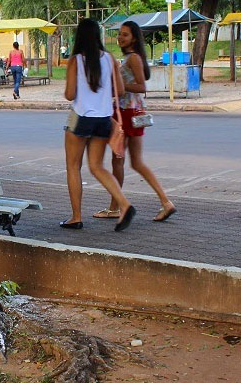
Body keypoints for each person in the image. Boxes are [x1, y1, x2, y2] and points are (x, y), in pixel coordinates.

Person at [96, 21, 176, 222]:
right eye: (120, 34)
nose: (120, 38)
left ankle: (118, 206)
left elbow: (142, 87)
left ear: (133, 38)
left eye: (125, 35)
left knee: (121, 160)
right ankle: (162, 202)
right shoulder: (130, 58)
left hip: (127, 113)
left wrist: (120, 86)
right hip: (129, 112)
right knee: (129, 161)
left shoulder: (133, 59)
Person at [61, 19, 135, 232]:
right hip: (103, 119)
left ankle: (76, 217)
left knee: (73, 166)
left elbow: (69, 94)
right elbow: (120, 90)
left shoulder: (75, 61)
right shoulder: (110, 58)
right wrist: (101, 95)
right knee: (97, 166)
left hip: (80, 116)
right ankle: (124, 204)